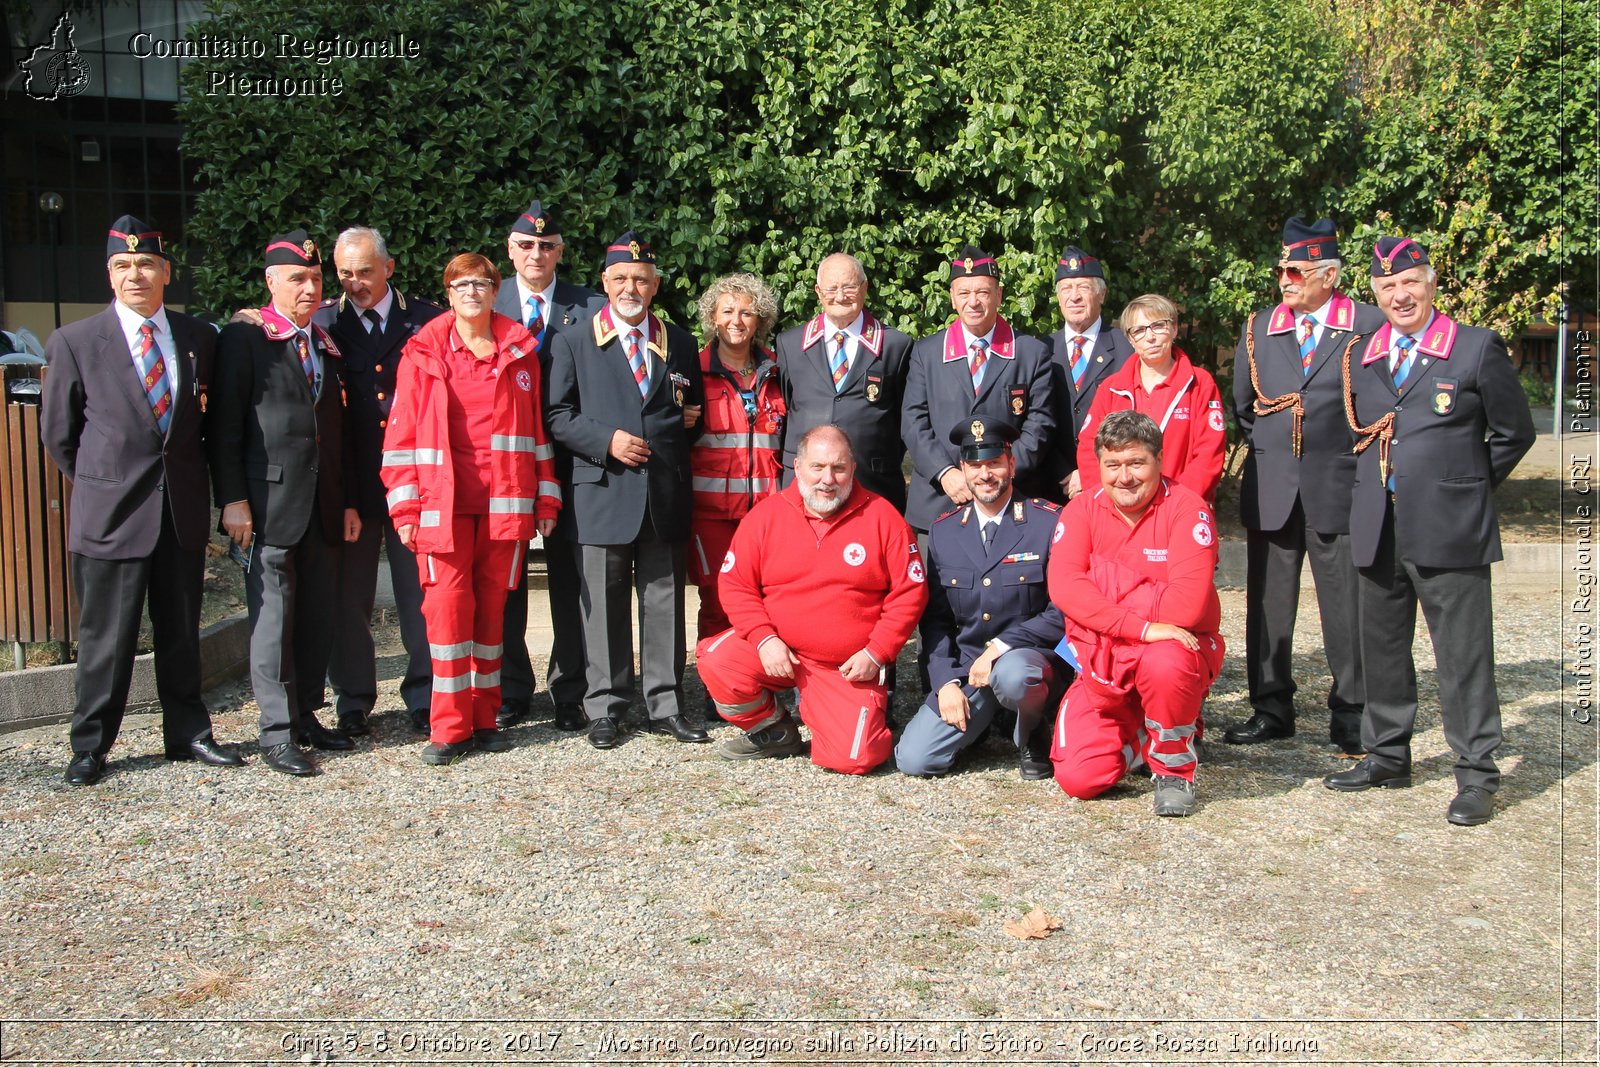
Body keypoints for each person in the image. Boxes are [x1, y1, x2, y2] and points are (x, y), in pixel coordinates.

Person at [1327, 236, 1535, 826]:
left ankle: (1476, 773)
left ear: (1432, 283)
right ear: (1375, 293)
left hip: (1449, 526)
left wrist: (1463, 486)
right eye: (1388, 286)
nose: (1401, 294)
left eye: (1410, 281)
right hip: (1378, 524)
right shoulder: (1362, 356)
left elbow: (1514, 434)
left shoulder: (1473, 349)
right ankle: (1387, 753)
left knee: (1463, 656)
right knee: (1382, 648)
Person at [40, 214, 244, 786]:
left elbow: (211, 427)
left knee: (181, 632)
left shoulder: (199, 338)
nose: (136, 275)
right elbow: (60, 436)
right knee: (107, 640)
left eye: (147, 264)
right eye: (124, 266)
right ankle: (90, 746)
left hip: (177, 513)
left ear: (166, 272)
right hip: (111, 517)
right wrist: (105, 484)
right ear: (110, 274)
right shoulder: (75, 342)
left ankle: (189, 734)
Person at [379, 253, 560, 765]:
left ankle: (484, 718)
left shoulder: (520, 351)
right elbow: (400, 440)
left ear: (495, 289)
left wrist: (546, 495)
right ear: (449, 292)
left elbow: (535, 434)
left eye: (481, 283)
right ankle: (449, 727)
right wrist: (405, 510)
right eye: (461, 284)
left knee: (491, 616)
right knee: (446, 615)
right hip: (442, 510)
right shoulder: (422, 352)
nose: (472, 292)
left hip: (503, 509)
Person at [1227, 217, 1385, 754]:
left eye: (1294, 270)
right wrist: (1280, 455)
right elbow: (1246, 408)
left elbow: (1379, 403)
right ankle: (1271, 707)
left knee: (1346, 606)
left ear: (1328, 275)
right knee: (1268, 606)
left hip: (1337, 482)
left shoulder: (1365, 324)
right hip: (1273, 485)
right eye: (1280, 270)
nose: (1284, 279)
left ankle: (1351, 712)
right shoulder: (1259, 327)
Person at [545, 231, 708, 748]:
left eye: (640, 279)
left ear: (655, 285)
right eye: (620, 279)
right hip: (601, 488)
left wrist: (687, 422)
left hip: (663, 494)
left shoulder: (678, 341)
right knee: (603, 601)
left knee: (663, 602)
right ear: (605, 283)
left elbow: (692, 418)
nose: (630, 287)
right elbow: (556, 416)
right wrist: (606, 440)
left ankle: (665, 704)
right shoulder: (573, 339)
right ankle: (606, 707)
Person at [208, 230, 361, 777]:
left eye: (317, 278)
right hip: (267, 504)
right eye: (298, 278)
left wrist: (346, 502)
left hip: (322, 503)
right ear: (271, 281)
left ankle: (304, 716)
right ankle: (274, 732)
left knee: (315, 615)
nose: (310, 287)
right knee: (272, 618)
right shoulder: (245, 340)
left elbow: (336, 433)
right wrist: (232, 501)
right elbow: (224, 428)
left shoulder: (325, 343)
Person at [696, 425, 927, 774]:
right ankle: (774, 729)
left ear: (853, 468)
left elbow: (910, 593)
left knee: (855, 758)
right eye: (817, 467)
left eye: (838, 467)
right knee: (716, 661)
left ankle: (835, 714)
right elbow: (735, 584)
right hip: (779, 651)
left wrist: (877, 652)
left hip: (846, 666)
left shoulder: (883, 518)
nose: (827, 479)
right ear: (798, 467)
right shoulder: (766, 515)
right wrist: (764, 638)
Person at [1047, 411, 1224, 817]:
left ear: (1159, 460)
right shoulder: (1080, 511)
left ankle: (1173, 765)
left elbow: (1186, 608)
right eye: (1113, 465)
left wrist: (1103, 584)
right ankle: (1145, 736)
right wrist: (1143, 625)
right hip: (1102, 659)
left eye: (1136, 463)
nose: (1124, 477)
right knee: (1080, 779)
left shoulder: (1188, 510)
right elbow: (1065, 589)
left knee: (1168, 659)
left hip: (1168, 653)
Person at [310, 227, 444, 737]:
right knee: (350, 599)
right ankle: (353, 698)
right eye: (345, 273)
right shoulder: (324, 322)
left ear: (389, 268)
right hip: (351, 486)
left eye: (365, 271)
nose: (355, 283)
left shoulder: (428, 320)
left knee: (420, 596)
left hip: (415, 480)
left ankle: (426, 695)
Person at [894, 416, 1069, 779]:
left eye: (994, 463)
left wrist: (1001, 647)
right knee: (915, 759)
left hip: (1031, 663)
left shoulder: (1048, 522)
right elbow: (937, 620)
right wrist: (944, 682)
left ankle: (1032, 731)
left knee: (1015, 674)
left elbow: (1064, 610)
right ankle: (984, 724)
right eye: (975, 465)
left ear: (1012, 464)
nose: (985, 474)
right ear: (962, 469)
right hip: (972, 669)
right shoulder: (944, 532)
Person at [493, 199, 606, 733]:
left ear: (560, 251)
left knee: (569, 580)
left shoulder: (591, 307)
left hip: (571, 463)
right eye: (525, 245)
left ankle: (570, 687)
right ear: (510, 251)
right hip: (507, 466)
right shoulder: (484, 303)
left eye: (546, 245)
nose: (536, 253)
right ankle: (511, 688)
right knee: (507, 581)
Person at [902, 245, 1054, 532]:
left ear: (998, 295)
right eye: (964, 293)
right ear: (952, 298)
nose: (973, 302)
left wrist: (999, 475)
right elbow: (913, 422)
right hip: (941, 500)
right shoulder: (926, 353)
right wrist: (946, 474)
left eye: (983, 292)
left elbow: (1040, 425)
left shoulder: (1031, 353)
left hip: (1009, 500)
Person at [775, 253, 914, 510]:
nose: (840, 296)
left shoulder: (896, 345)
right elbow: (786, 402)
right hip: (804, 483)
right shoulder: (790, 344)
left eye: (849, 287)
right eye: (831, 288)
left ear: (864, 288)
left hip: (872, 480)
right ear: (818, 291)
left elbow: (905, 416)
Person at [688, 272, 785, 642]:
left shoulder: (778, 371)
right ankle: (721, 689)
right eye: (727, 311)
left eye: (747, 313)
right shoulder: (691, 371)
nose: (736, 321)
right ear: (713, 317)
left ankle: (762, 687)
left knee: (767, 599)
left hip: (767, 512)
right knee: (717, 599)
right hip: (709, 513)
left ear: (759, 320)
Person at [1075, 294, 1226, 508]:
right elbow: (1090, 449)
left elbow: (1209, 454)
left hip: (1179, 510)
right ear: (1130, 340)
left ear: (1174, 329)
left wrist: (1174, 505)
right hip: (1120, 511)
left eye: (1158, 326)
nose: (1150, 337)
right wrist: (1111, 503)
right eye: (1139, 330)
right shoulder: (1112, 388)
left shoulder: (1199, 384)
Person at [1043, 246, 1133, 503]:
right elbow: (1034, 421)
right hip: (1050, 486)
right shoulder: (1041, 350)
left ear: (1101, 294)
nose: (1074, 297)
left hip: (1112, 485)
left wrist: (1090, 471)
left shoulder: (1127, 349)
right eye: (1066, 289)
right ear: (1059, 298)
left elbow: (1132, 421)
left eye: (1083, 287)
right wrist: (1065, 472)